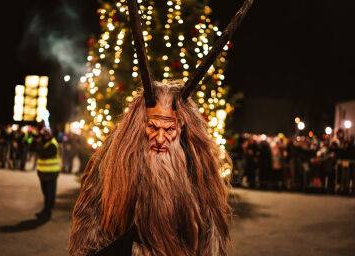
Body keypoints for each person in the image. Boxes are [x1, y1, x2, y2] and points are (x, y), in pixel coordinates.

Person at [68, 0, 253, 255]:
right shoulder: (115, 164)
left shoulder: (197, 166)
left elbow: (211, 228)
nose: (160, 138)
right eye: (153, 127)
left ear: (182, 129)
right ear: (138, 126)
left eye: (170, 130)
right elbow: (91, 223)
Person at [35, 128, 61, 219]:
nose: (44, 137)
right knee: (45, 193)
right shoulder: (44, 143)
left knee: (50, 194)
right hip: (43, 173)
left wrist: (38, 144)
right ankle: (45, 210)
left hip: (51, 173)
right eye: (43, 135)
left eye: (45, 135)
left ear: (49, 135)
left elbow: (43, 154)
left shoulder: (52, 144)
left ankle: (47, 212)